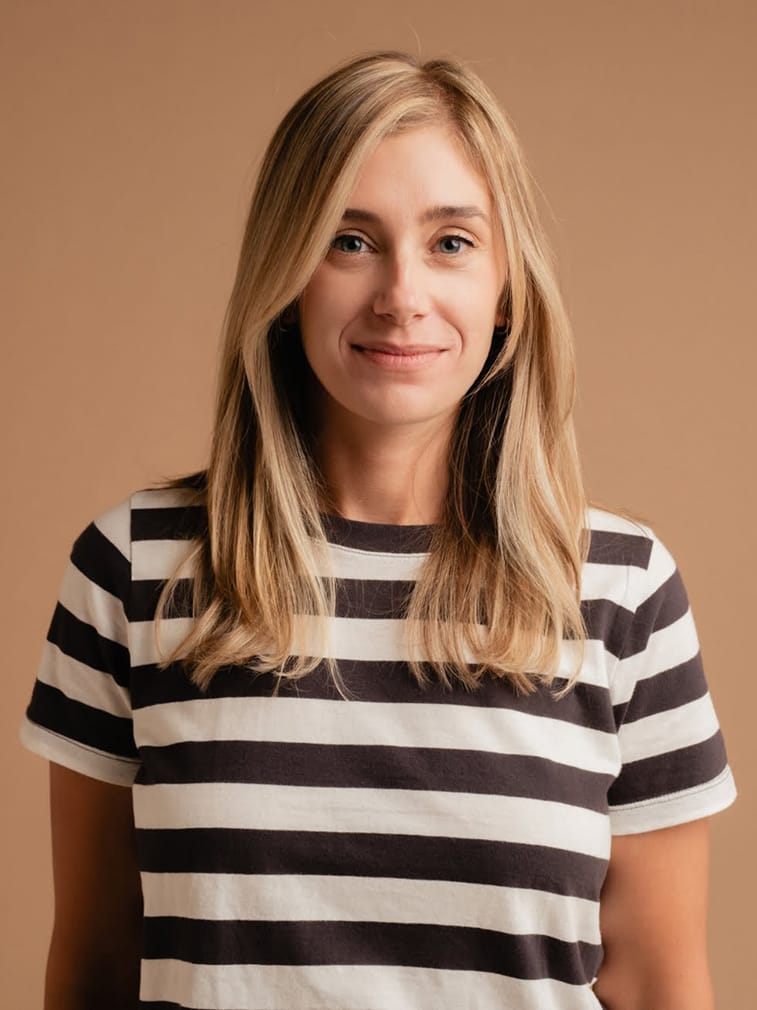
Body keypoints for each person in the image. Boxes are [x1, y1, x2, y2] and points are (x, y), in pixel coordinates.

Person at [21, 50, 736, 1010]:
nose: (401, 295)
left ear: (506, 289)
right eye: (348, 241)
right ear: (284, 278)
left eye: (450, 243)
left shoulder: (621, 592)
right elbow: (93, 970)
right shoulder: (135, 569)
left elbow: (658, 987)